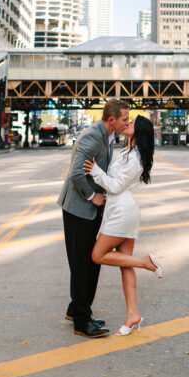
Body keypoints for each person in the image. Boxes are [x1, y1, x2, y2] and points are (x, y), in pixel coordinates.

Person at [83, 115, 162, 336]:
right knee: (125, 265)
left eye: (132, 122)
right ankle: (132, 315)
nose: (127, 123)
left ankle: (145, 262)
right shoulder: (128, 151)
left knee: (98, 255)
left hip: (121, 211)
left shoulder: (135, 157)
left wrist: (95, 171)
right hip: (120, 209)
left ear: (140, 131)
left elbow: (116, 186)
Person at [57, 98, 130, 338]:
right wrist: (92, 197)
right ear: (112, 120)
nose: (127, 122)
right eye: (124, 119)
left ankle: (77, 308)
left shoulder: (109, 136)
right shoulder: (92, 136)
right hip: (78, 208)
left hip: (88, 210)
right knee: (82, 264)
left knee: (89, 262)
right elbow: (76, 173)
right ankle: (81, 321)